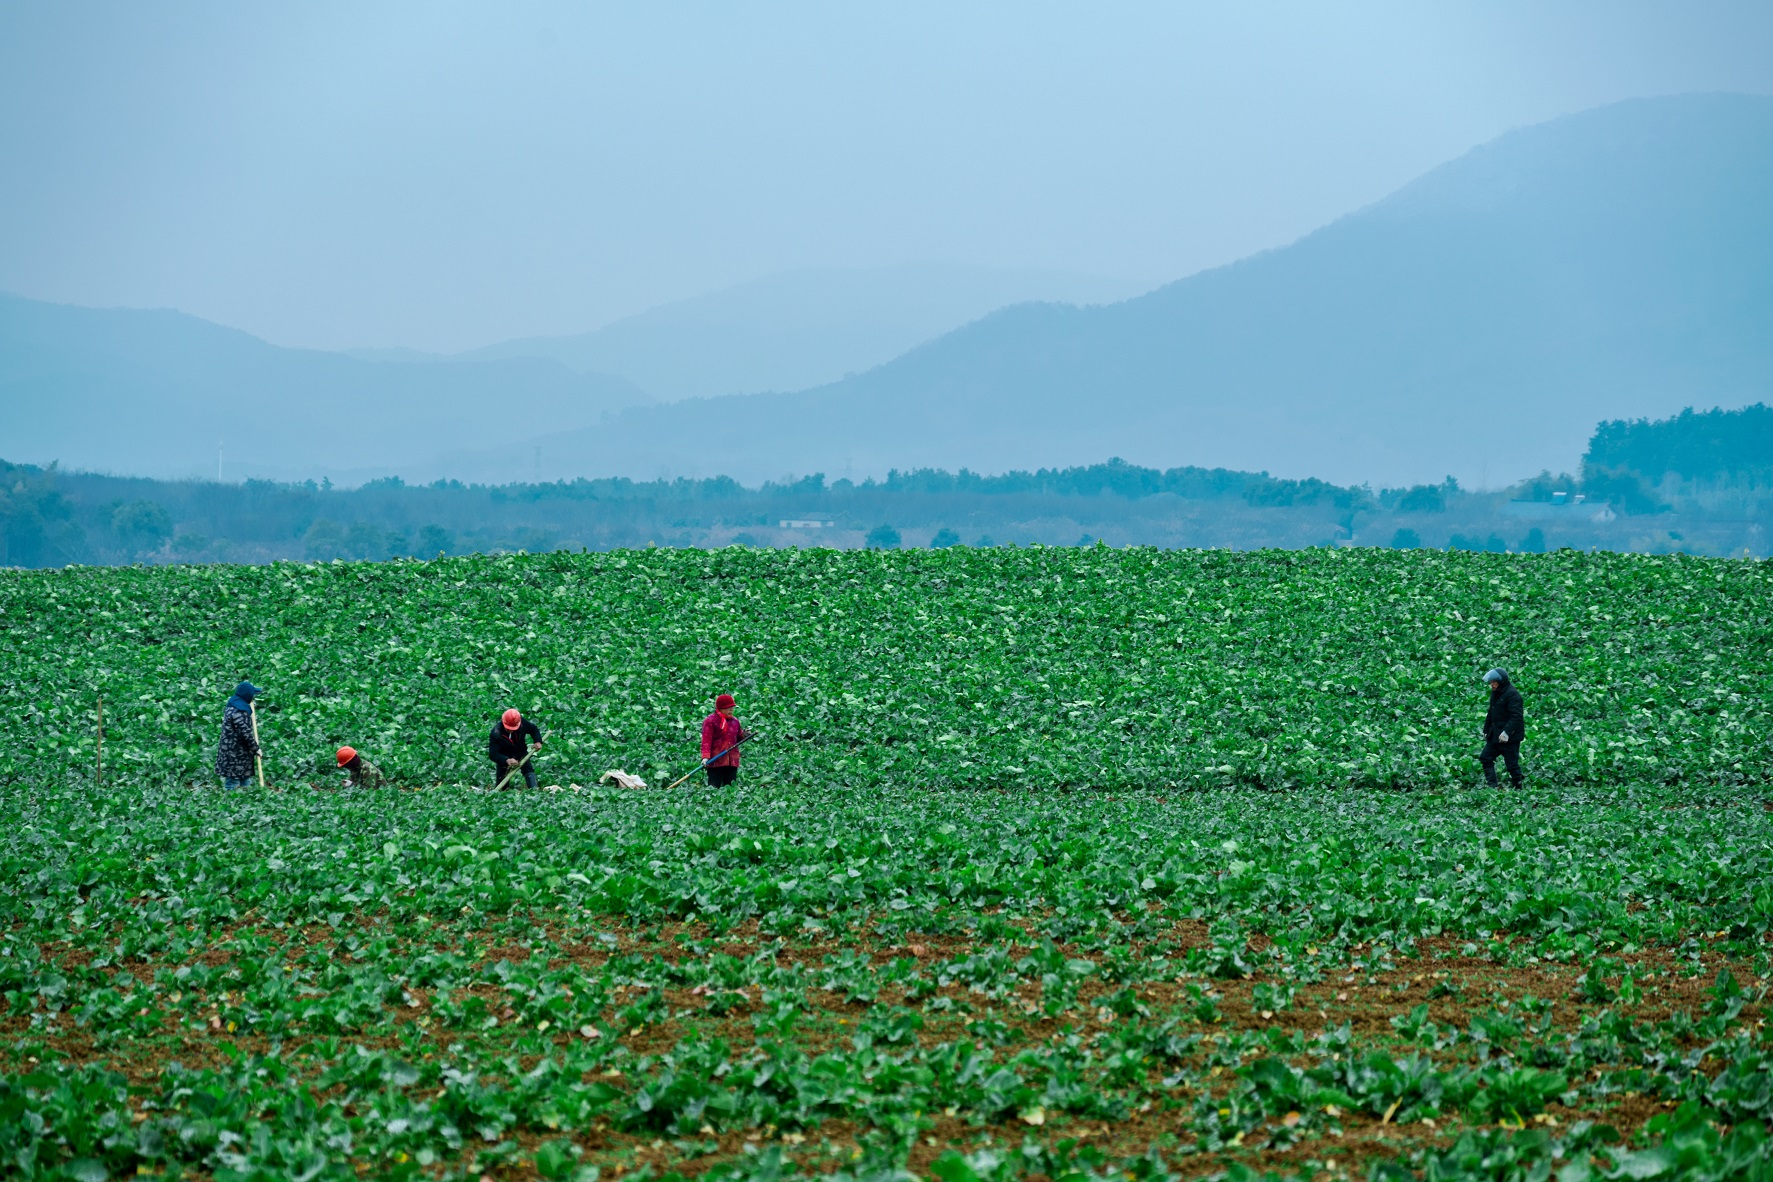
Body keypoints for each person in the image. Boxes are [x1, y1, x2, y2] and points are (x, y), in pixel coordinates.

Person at [1479, 668, 1525, 788]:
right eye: (1491, 682)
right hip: (1495, 734)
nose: (1492, 685)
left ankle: (1519, 789)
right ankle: (1492, 787)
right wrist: (1486, 729)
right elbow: (1491, 712)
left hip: (1511, 737)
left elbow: (1516, 717)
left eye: (1494, 682)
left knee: (1512, 765)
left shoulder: (1513, 695)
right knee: (1485, 757)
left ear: (1501, 681)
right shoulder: (1496, 692)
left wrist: (1507, 732)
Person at [215, 681, 262, 789]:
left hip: (240, 754)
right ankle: (230, 803)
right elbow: (244, 733)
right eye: (252, 695)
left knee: (245, 780)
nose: (253, 697)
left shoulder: (237, 705)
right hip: (233, 754)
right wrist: (256, 749)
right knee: (233, 783)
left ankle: (248, 801)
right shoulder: (238, 711)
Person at [700, 693, 749, 787]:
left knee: (731, 787)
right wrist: (705, 757)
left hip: (732, 761)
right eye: (727, 708)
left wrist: (744, 735)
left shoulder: (735, 721)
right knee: (714, 787)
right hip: (716, 761)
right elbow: (706, 740)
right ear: (720, 708)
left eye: (732, 707)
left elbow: (738, 738)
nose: (730, 710)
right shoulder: (710, 721)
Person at [489, 708, 543, 789]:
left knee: (528, 770)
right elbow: (493, 754)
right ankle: (502, 795)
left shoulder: (522, 723)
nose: (511, 731)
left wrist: (538, 741)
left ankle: (534, 790)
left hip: (520, 752)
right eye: (508, 729)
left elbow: (533, 729)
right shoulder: (496, 733)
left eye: (513, 728)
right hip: (504, 756)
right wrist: (506, 760)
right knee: (502, 780)